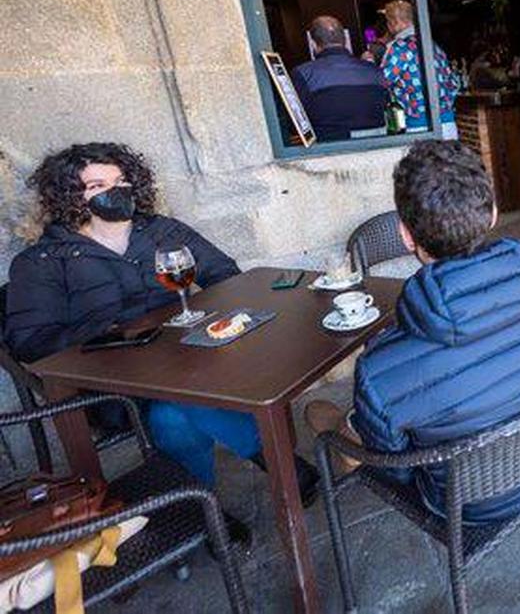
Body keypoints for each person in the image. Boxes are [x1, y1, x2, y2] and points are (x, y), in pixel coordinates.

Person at [3, 144, 318, 536]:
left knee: (174, 410)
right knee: (171, 406)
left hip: (190, 360)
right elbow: (30, 340)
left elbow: (225, 275)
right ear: (69, 195)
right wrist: (115, 329)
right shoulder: (44, 261)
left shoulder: (162, 232)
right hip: (113, 387)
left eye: (120, 181)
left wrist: (216, 314)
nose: (113, 191)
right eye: (97, 185)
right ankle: (277, 462)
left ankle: (200, 510)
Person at [304, 140, 520, 523]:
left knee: (320, 415)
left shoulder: (380, 369)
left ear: (406, 236)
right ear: (492, 214)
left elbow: (397, 470)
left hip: (463, 509)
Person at [292, 15, 388, 141]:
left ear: (313, 43)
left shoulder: (303, 73)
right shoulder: (374, 70)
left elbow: (297, 120)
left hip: (330, 149)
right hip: (380, 144)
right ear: (345, 41)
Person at [379, 0, 461, 138]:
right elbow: (454, 83)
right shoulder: (434, 46)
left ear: (395, 22)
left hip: (419, 125)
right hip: (448, 122)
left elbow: (383, 81)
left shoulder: (400, 47)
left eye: (388, 22)